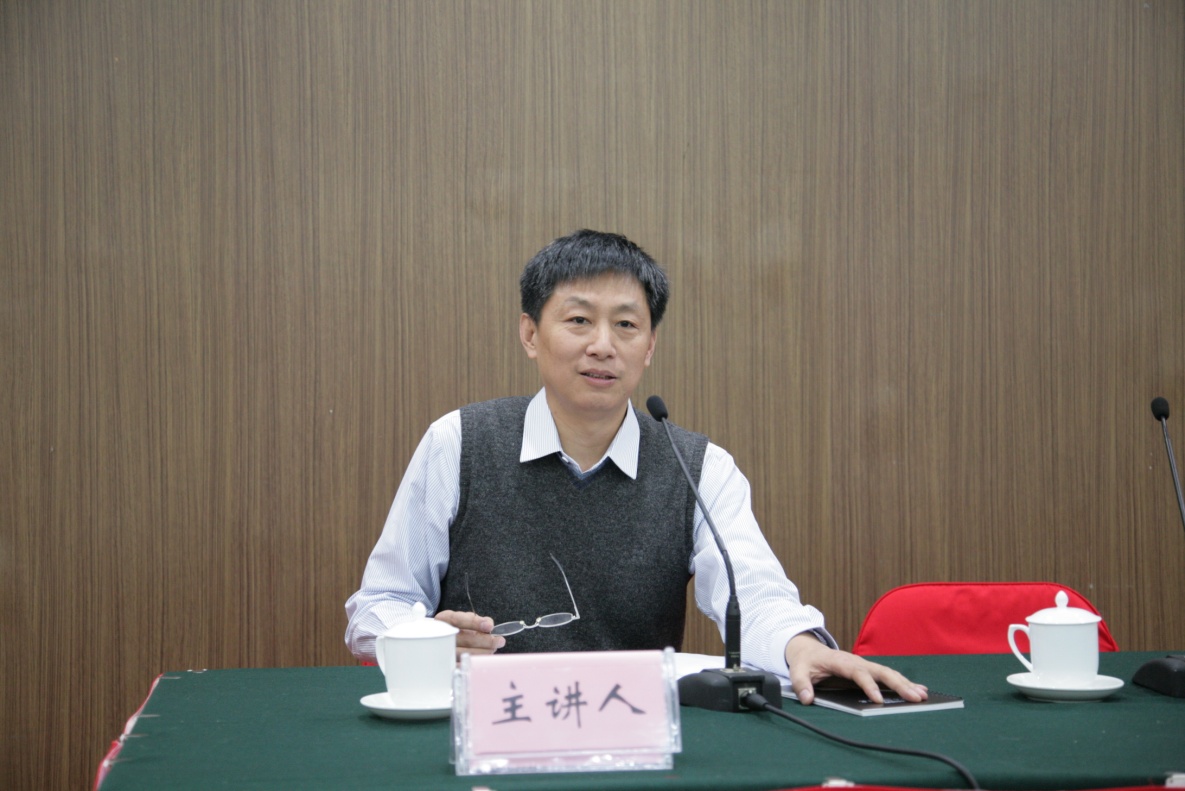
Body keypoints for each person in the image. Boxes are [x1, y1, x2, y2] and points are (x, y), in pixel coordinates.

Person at [345, 229, 926, 705]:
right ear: (530, 334)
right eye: (578, 320)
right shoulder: (459, 443)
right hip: (488, 725)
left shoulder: (697, 465)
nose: (603, 345)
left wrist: (801, 646)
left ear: (648, 348)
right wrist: (423, 640)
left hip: (630, 730)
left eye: (626, 325)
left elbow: (752, 593)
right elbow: (376, 607)